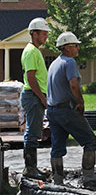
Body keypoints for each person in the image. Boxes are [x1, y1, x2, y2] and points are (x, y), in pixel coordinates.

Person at [46, 32, 96, 185]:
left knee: (57, 146)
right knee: (90, 141)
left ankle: (57, 180)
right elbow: (73, 84)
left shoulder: (54, 63)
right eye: (75, 45)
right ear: (66, 47)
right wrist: (80, 101)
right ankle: (88, 176)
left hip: (52, 111)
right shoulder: (69, 62)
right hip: (66, 110)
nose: (78, 48)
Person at [21, 17, 50, 179]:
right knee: (32, 132)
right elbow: (31, 78)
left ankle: (32, 168)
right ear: (34, 33)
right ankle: (30, 169)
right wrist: (42, 98)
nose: (46, 37)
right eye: (43, 34)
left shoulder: (33, 50)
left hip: (34, 96)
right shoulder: (31, 51)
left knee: (33, 131)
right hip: (33, 96)